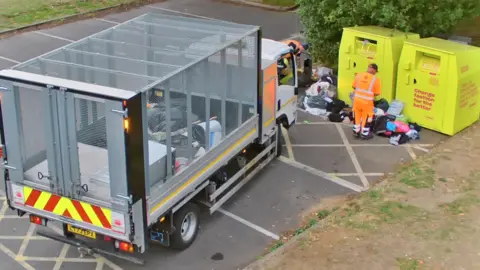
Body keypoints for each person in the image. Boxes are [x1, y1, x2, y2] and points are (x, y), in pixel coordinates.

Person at [351, 63, 381, 139]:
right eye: (375, 71)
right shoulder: (375, 79)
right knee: (367, 117)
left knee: (357, 115)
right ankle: (364, 134)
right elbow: (377, 93)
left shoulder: (359, 75)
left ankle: (356, 131)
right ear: (374, 70)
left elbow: (354, 86)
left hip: (357, 100)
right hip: (367, 103)